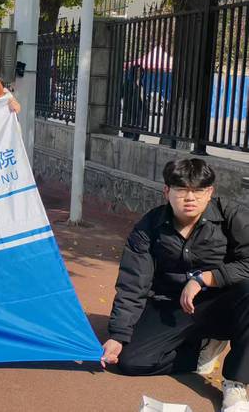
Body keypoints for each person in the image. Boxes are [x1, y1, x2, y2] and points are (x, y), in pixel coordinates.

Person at [101, 159, 249, 411]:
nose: (190, 198)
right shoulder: (148, 227)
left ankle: (236, 383)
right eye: (181, 190)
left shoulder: (230, 216)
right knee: (131, 362)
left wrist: (205, 279)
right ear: (167, 191)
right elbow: (133, 283)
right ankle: (200, 351)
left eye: (198, 191)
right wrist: (118, 335)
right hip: (171, 306)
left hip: (223, 304)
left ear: (210, 192)